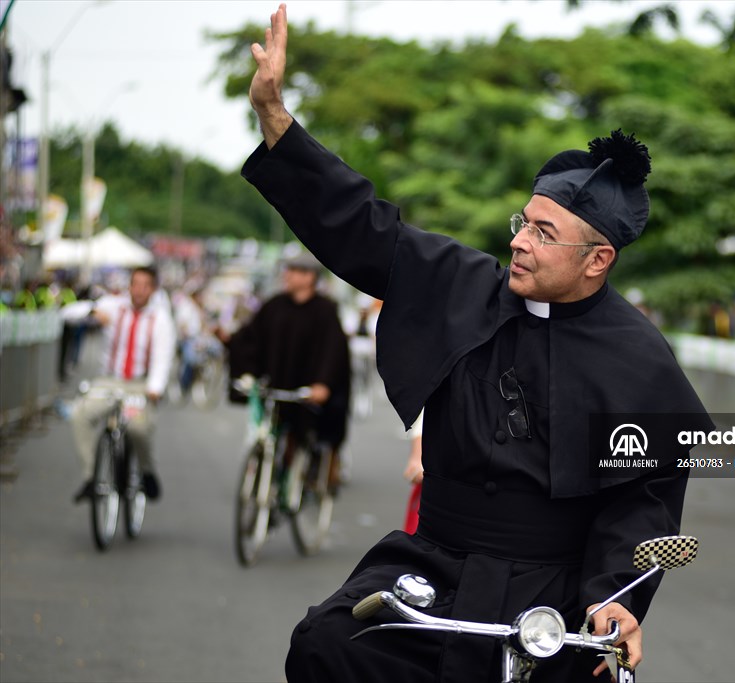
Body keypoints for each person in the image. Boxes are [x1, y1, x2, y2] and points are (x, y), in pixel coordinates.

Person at [243, 6, 711, 681]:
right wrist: (276, 119)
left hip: (553, 591)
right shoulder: (458, 284)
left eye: (545, 234)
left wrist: (615, 602)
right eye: (526, 221)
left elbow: (641, 503)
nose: (519, 239)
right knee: (325, 644)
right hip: (434, 558)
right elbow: (362, 225)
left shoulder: (637, 358)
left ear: (597, 260)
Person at [224, 252, 351, 494]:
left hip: (306, 392)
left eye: (293, 271)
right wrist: (229, 341)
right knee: (271, 430)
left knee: (310, 433)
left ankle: (313, 473)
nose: (287, 276)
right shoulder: (274, 305)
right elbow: (252, 338)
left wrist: (323, 384)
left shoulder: (325, 311)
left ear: (309, 277)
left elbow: (333, 352)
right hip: (279, 385)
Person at [70, 265, 176, 503]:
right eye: (135, 284)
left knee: (138, 427)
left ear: (153, 289)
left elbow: (163, 357)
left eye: (145, 286)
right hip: (109, 381)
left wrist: (155, 388)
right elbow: (68, 312)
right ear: (129, 286)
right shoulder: (113, 306)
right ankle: (90, 477)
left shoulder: (160, 319)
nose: (138, 291)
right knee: (81, 415)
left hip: (139, 385)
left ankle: (147, 471)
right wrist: (92, 313)